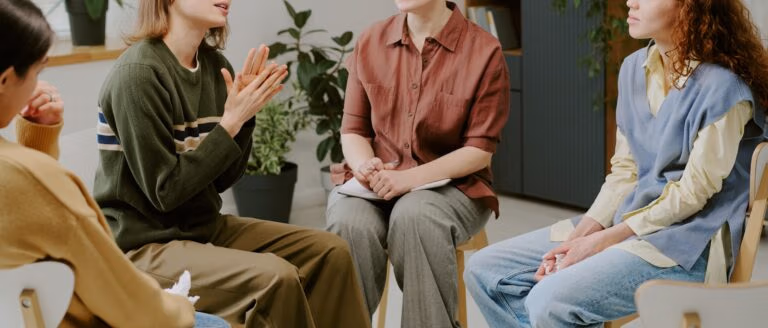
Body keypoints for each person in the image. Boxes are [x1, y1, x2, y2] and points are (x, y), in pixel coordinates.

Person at [464, 0, 768, 326]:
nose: (630, 2)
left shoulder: (724, 88)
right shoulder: (633, 69)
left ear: (691, 6)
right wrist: (582, 236)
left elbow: (694, 193)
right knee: (485, 269)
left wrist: (603, 241)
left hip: (686, 247)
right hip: (628, 223)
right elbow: (625, 172)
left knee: (549, 299)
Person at [94, 0, 370, 327]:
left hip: (203, 228)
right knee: (274, 278)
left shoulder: (213, 66)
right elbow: (165, 193)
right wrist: (230, 124)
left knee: (330, 252)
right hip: (143, 246)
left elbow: (222, 179)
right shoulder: (138, 75)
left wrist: (243, 120)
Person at [0, 0, 229, 326]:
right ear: (6, 79)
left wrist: (38, 138)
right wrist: (180, 306)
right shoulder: (35, 180)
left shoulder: (21, 173)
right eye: (38, 71)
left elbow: (25, 214)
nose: (38, 85)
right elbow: (122, 294)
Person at [324, 0, 510, 327]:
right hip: (377, 184)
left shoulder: (484, 51)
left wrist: (406, 181)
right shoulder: (370, 40)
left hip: (454, 187)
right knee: (349, 223)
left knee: (416, 217)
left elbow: (478, 151)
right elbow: (353, 131)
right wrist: (367, 166)